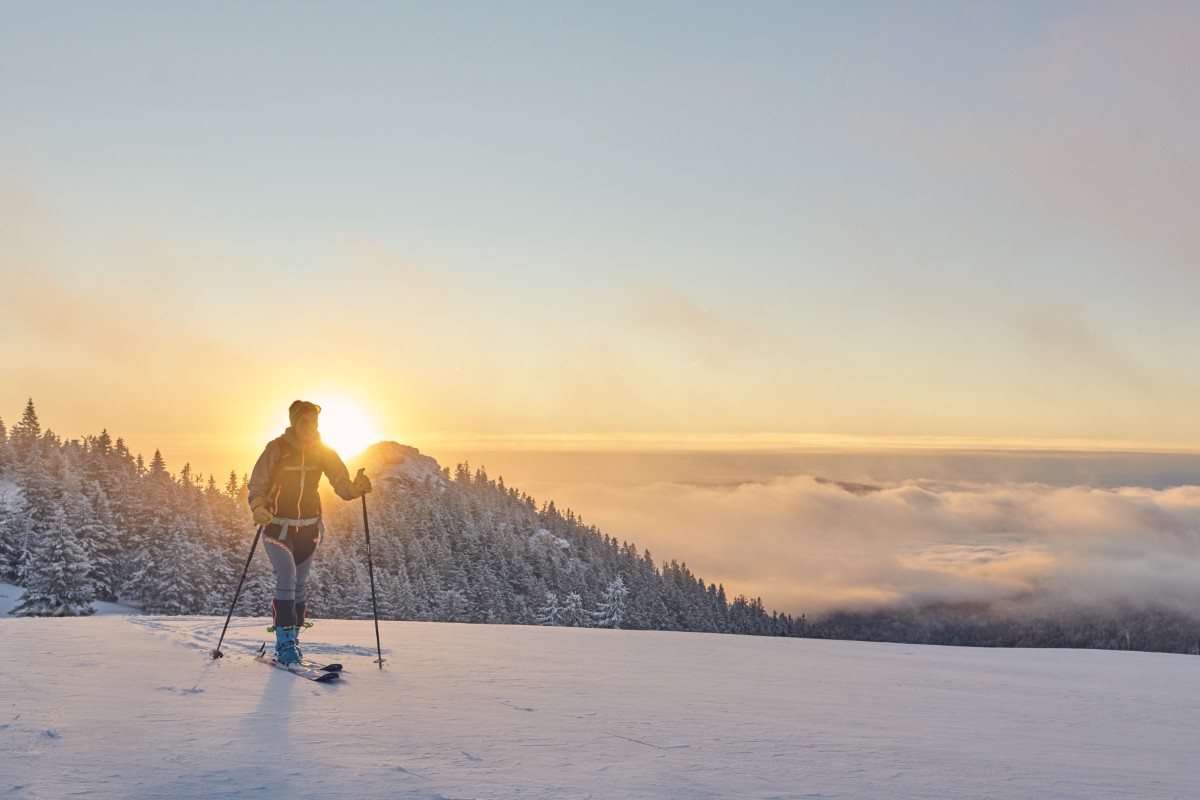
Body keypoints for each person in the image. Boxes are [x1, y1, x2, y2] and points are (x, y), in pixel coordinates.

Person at [248, 400, 372, 665]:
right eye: (304, 421)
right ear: (294, 422)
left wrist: (357, 488)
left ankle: (292, 639)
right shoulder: (276, 448)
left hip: (310, 529)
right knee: (288, 576)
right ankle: (284, 645)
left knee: (300, 585)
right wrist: (258, 507)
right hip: (276, 527)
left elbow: (342, 485)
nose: (310, 426)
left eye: (314, 422)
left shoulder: (324, 452)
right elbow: (257, 484)